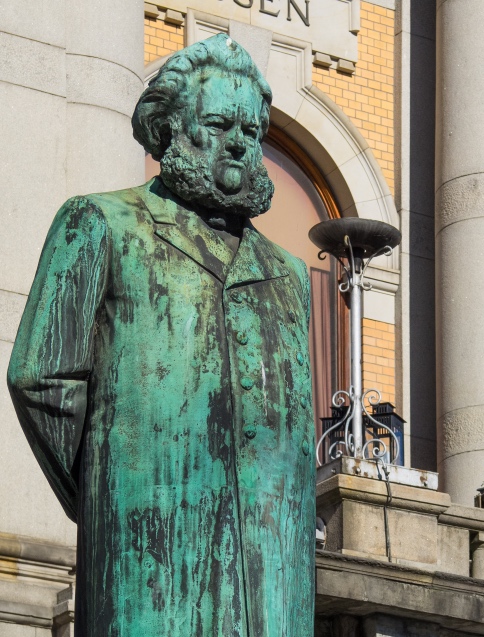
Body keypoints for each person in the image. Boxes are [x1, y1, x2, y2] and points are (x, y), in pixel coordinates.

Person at [7, 34, 316, 636]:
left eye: (251, 132)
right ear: (171, 127)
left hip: (275, 578)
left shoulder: (291, 275)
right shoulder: (101, 223)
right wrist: (111, 487)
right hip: (148, 562)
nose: (238, 143)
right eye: (220, 123)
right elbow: (39, 378)